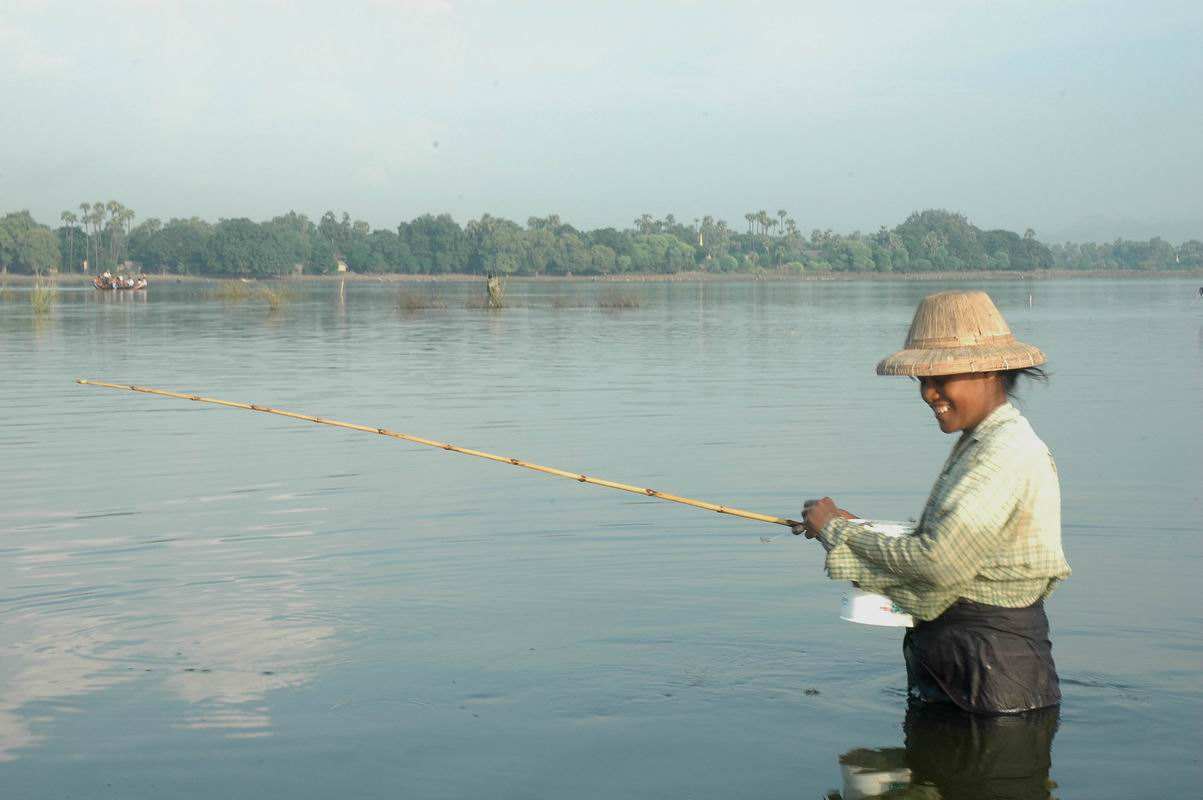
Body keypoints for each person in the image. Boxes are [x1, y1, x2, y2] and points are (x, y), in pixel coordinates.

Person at [796, 290, 1071, 714]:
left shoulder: (1003, 455)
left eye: (941, 379)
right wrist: (857, 529)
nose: (928, 393)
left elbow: (938, 561)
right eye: (923, 380)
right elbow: (959, 545)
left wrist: (838, 530)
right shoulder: (982, 443)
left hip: (991, 678)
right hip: (976, 672)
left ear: (988, 373)